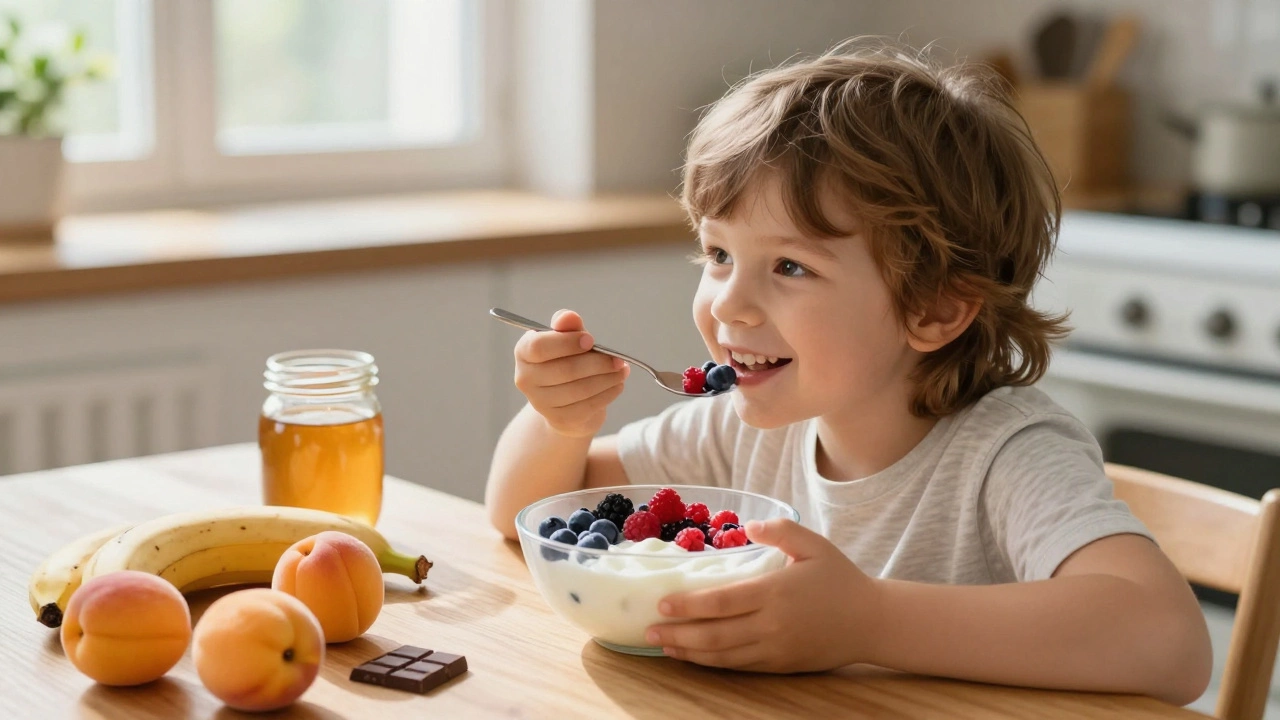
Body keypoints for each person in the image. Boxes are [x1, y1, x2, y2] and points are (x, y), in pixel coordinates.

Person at [484, 40, 1211, 705]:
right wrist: (560, 424)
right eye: (718, 255)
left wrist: (867, 619)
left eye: (790, 266)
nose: (728, 304)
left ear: (932, 309)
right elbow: (530, 513)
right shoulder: (738, 426)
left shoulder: (1007, 453)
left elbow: (1170, 644)